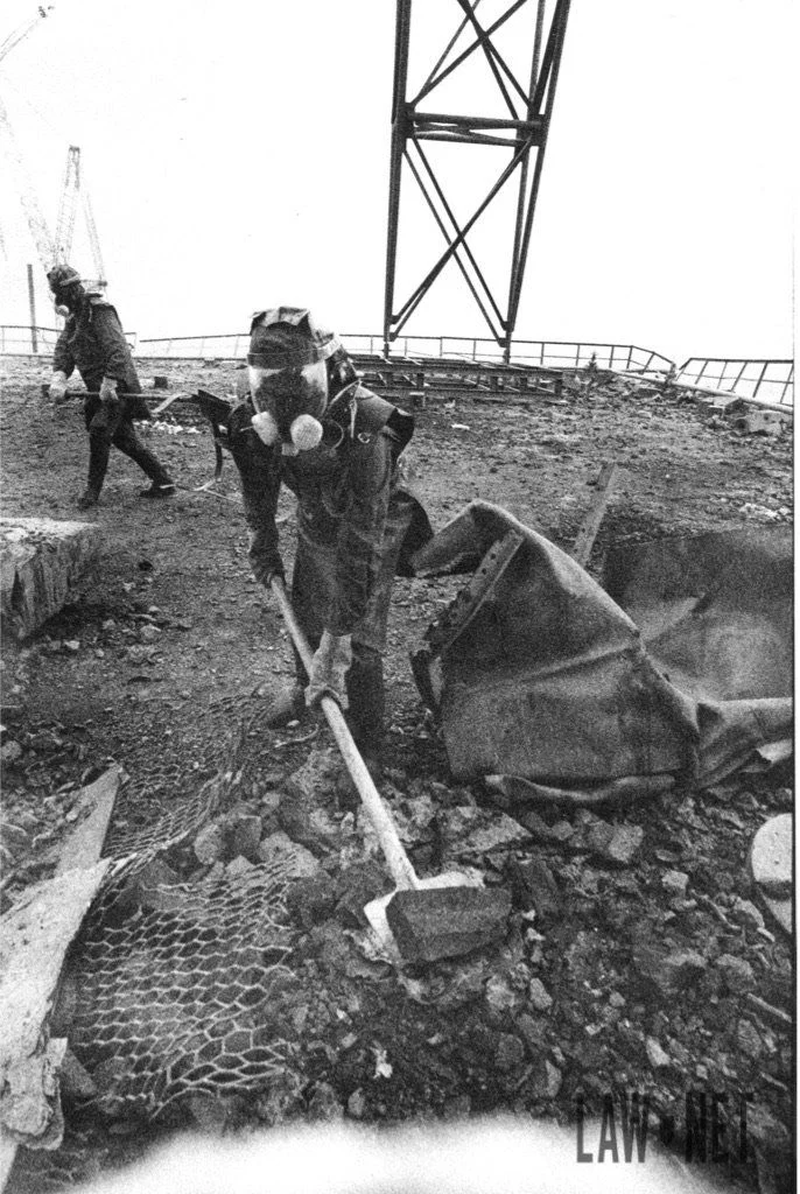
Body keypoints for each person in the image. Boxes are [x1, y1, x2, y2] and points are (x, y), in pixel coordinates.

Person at [228, 306, 431, 779]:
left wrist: (338, 634)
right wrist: (263, 543)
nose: (280, 396)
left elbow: (363, 543)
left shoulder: (366, 430)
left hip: (374, 514)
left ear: (323, 373)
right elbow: (257, 483)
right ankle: (309, 690)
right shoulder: (257, 414)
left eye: (294, 380)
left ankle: (368, 736)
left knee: (358, 632)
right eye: (267, 381)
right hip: (318, 505)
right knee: (306, 605)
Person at [46, 264, 175, 509]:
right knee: (123, 438)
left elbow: (118, 349)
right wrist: (59, 377)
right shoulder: (75, 316)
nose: (58, 299)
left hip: (117, 387)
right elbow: (65, 347)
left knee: (100, 430)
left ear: (71, 291)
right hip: (97, 389)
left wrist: (111, 380)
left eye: (60, 294)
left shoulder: (99, 311)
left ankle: (92, 492)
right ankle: (163, 481)